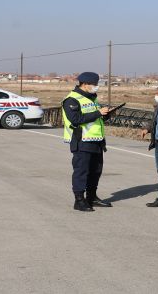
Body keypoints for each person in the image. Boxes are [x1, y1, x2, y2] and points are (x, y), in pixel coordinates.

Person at [62, 72, 113, 212]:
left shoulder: (92, 99)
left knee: (95, 171)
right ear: (85, 84)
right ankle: (79, 200)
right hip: (82, 141)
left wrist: (105, 115)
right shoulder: (71, 100)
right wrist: (98, 113)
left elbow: (95, 119)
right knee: (81, 171)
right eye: (94, 84)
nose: (96, 87)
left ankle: (92, 197)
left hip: (96, 141)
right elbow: (76, 119)